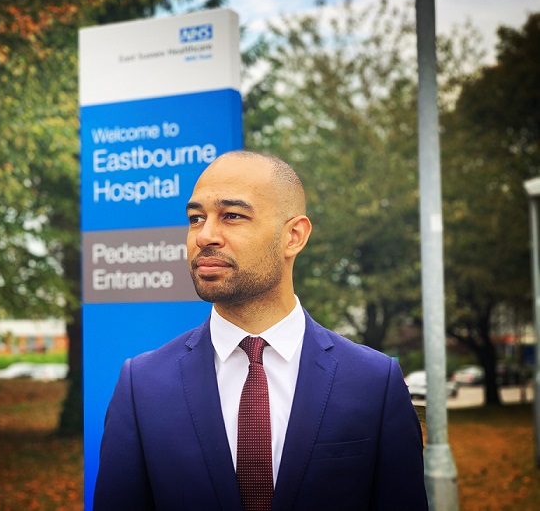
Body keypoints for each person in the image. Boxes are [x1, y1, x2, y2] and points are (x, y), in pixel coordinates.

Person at [93, 150, 428, 510]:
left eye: (232, 216)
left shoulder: (374, 383)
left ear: (293, 236)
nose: (205, 235)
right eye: (196, 218)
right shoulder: (142, 385)